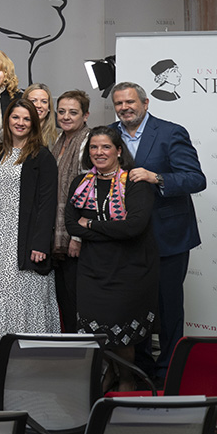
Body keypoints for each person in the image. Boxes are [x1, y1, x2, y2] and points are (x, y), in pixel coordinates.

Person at [109, 82, 205, 380]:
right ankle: (140, 370)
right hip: (126, 238)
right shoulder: (108, 134)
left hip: (168, 237)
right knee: (133, 306)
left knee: (168, 308)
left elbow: (195, 179)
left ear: (145, 103)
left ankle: (169, 372)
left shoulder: (170, 132)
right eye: (119, 103)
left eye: (130, 102)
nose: (125, 108)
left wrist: (157, 177)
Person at [66, 127, 159, 392]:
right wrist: (111, 230)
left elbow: (134, 227)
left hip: (128, 270)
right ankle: (110, 371)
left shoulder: (135, 182)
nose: (99, 152)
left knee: (122, 332)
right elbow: (71, 225)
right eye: (94, 147)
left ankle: (127, 378)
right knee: (97, 331)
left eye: (106, 147)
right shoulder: (81, 183)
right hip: (92, 270)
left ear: (119, 150)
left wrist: (91, 225)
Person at [0, 98, 60, 337]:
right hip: (0, 237)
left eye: (27, 119)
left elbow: (48, 204)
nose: (20, 122)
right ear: (7, 120)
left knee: (27, 290)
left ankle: (30, 346)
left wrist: (40, 244)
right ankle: (6, 344)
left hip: (26, 237)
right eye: (16, 117)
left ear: (34, 123)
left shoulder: (42, 156)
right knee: (3, 289)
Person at [51, 89, 91, 331]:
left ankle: (84, 349)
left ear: (85, 115)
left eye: (73, 112)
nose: (66, 116)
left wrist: (77, 236)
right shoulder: (60, 139)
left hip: (76, 234)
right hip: (59, 231)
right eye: (62, 111)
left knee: (77, 298)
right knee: (64, 297)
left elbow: (89, 192)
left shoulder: (87, 141)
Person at [24, 83, 60, 149]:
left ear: (49, 107)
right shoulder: (12, 133)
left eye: (44, 101)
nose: (39, 105)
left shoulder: (60, 136)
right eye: (33, 101)